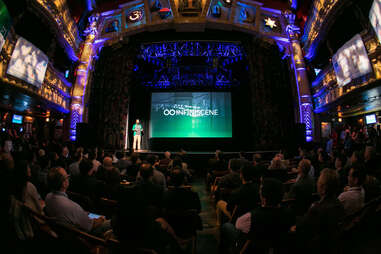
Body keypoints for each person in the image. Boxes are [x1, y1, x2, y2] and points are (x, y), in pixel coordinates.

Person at [44, 167, 111, 236]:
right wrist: (101, 219)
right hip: (82, 235)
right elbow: (90, 226)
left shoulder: (48, 197)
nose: (68, 178)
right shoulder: (72, 207)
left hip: (62, 231)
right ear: (64, 183)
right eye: (67, 177)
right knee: (111, 223)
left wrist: (82, 214)